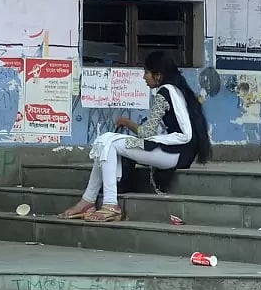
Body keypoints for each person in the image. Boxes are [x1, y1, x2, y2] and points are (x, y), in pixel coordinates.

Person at [60, 51, 212, 222]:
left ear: (158, 75)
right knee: (106, 143)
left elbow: (146, 132)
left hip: (173, 153)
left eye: (146, 72)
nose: (144, 77)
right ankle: (88, 201)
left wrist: (126, 122)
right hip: (180, 153)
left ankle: (110, 204)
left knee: (108, 141)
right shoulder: (177, 90)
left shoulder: (163, 93)